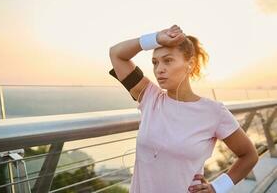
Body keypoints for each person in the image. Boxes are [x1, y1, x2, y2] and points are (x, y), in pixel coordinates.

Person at [108, 25, 259, 193]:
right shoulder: (149, 96)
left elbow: (249, 155)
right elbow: (117, 54)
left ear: (190, 64)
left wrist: (216, 188)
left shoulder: (214, 112)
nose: (159, 69)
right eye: (155, 62)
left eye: (168, 60)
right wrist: (156, 38)